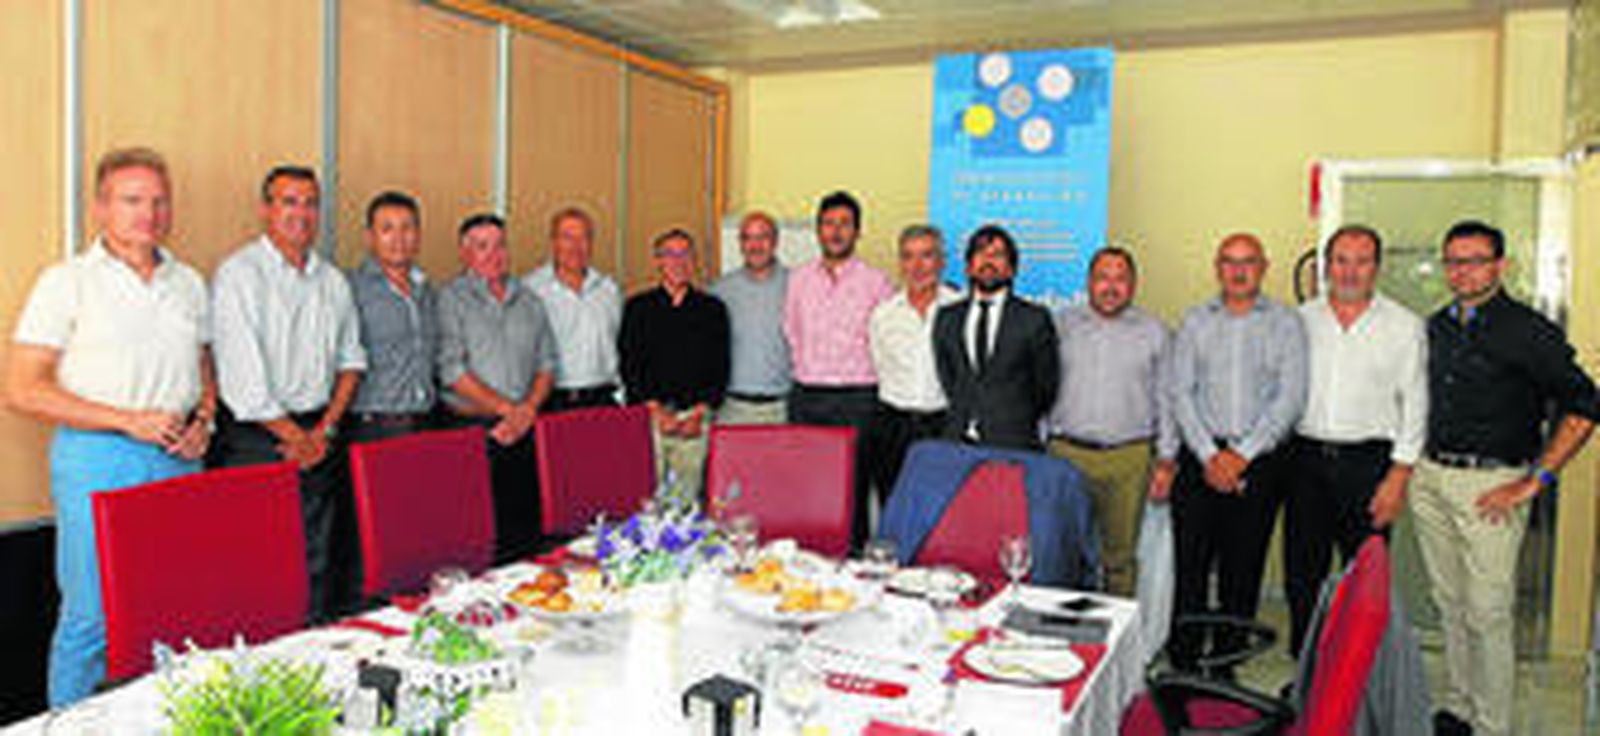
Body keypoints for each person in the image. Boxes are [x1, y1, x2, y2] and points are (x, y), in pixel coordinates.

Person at [6, 148, 214, 706]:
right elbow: (21, 388)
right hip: (97, 458)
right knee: (91, 621)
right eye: (132, 200)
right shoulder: (66, 282)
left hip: (178, 458)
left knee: (172, 610)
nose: (148, 213)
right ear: (101, 208)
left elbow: (202, 366)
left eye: (158, 201)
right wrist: (128, 421)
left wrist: (206, 421)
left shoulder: (189, 282)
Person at [1413, 221, 1597, 736]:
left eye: (1474, 260)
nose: (1461, 271)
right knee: (1448, 602)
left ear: (1500, 266)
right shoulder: (1437, 325)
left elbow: (1585, 405)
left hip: (1491, 487)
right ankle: (1459, 707)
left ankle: (1492, 724)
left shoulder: (1529, 331)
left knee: (1488, 612)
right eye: (1453, 261)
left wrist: (1536, 480)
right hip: (1431, 477)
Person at [212, 166, 366, 622]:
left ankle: (313, 669)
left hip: (320, 433)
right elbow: (243, 385)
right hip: (255, 441)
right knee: (258, 567)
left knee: (316, 564)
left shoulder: (332, 280)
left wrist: (324, 431)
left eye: (310, 203)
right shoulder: (239, 275)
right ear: (266, 210)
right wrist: (298, 439)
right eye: (288, 201)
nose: (301, 213)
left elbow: (351, 362)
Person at [1167, 232, 1306, 672]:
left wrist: (1240, 456)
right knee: (1190, 566)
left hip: (1259, 463)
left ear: (1264, 268)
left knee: (1242, 569)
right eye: (1229, 261)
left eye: (1248, 262)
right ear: (1217, 268)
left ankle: (1226, 661)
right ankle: (1185, 660)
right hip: (1200, 460)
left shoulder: (1286, 322)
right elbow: (1180, 394)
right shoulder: (1194, 321)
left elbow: (1290, 398)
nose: (1238, 270)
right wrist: (1210, 456)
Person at [1284, 225, 1426, 655]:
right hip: (1305, 461)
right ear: (1327, 266)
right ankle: (1308, 670)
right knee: (1302, 574)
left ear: (1377, 268)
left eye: (1362, 261)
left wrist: (1398, 477)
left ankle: (1359, 675)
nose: (1350, 271)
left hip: (1370, 466)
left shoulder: (1404, 326)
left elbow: (1416, 405)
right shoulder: (1300, 321)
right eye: (1341, 260)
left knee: (1365, 577)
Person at [1045, 246, 1176, 596]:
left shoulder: (1155, 331)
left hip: (1129, 459)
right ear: (1088, 282)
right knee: (1064, 553)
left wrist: (1166, 461)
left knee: (1119, 559)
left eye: (1121, 278)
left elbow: (1167, 399)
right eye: (1103, 277)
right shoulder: (1060, 326)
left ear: (1133, 285)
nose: (1111, 286)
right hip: (1065, 455)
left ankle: (1116, 646)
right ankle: (1064, 640)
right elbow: (1039, 388)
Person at [437, 213, 557, 563]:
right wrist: (509, 411)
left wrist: (527, 411)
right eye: (482, 246)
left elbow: (547, 364)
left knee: (524, 536)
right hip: (472, 433)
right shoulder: (450, 299)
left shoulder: (530, 300)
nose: (494, 254)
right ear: (465, 253)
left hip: (525, 431)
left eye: (500, 245)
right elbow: (451, 369)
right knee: (476, 540)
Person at [782, 191, 893, 545]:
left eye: (845, 224)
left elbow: (885, 341)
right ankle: (811, 559)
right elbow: (791, 331)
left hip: (857, 398)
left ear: (857, 232)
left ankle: (853, 561)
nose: (836, 232)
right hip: (807, 396)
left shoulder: (877, 282)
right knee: (807, 486)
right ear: (818, 230)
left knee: (853, 488)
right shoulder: (798, 279)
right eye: (828, 224)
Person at [619, 229, 730, 504]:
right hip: (651, 420)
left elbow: (721, 367)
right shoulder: (637, 308)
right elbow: (629, 365)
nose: (678, 261)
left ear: (694, 261)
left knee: (685, 505)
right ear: (658, 261)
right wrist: (655, 411)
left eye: (685, 254)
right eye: (670, 254)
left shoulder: (712, 310)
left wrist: (700, 412)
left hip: (694, 421)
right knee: (646, 503)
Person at [931, 224, 1059, 450]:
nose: (988, 261)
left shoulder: (1035, 319)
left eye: (998, 255)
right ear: (968, 268)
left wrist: (1009, 416)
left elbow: (1045, 388)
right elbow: (949, 379)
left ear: (1011, 269)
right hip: (957, 441)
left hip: (1014, 442)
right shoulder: (947, 318)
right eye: (981, 253)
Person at [867, 224, 960, 501]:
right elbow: (879, 366)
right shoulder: (883, 315)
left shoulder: (960, 309)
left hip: (943, 426)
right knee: (893, 505)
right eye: (908, 257)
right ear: (900, 263)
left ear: (941, 262)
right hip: (892, 426)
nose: (917, 266)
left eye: (926, 256)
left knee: (941, 507)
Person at [346, 191, 438, 444]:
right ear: (369, 237)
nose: (399, 238)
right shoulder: (351, 289)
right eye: (387, 229)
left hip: (426, 419)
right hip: (375, 424)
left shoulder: (427, 289)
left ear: (418, 235)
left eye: (407, 228)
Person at [522, 207, 623, 412]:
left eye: (584, 238)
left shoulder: (609, 289)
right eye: (567, 237)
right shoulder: (531, 290)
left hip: (603, 399)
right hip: (554, 401)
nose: (576, 247)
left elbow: (618, 345)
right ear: (553, 242)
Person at [710, 211, 790, 426]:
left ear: (775, 241)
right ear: (740, 244)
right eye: (748, 238)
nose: (755, 245)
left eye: (763, 237)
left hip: (782, 409)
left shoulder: (796, 286)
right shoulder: (720, 290)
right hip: (732, 409)